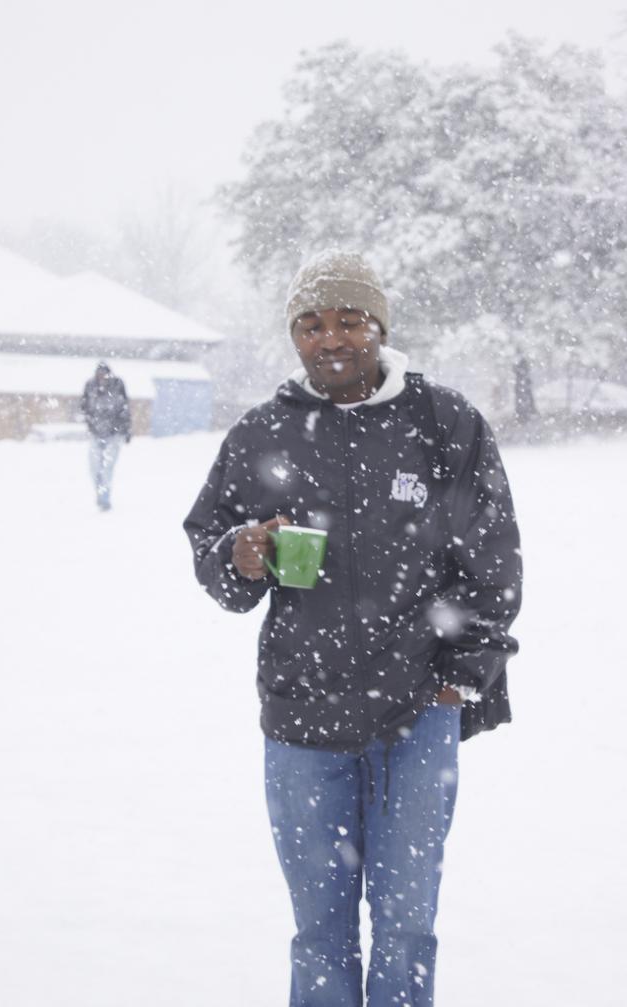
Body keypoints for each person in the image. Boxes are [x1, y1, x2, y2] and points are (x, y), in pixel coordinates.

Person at [184, 250, 522, 1007]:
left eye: (348, 321)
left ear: (379, 325)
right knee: (320, 932)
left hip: (416, 716)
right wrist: (239, 556)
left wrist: (458, 678)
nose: (330, 339)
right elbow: (211, 551)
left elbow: (492, 561)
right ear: (294, 336)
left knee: (406, 930)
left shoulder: (443, 423)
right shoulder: (263, 432)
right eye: (311, 324)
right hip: (302, 717)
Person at [80, 362, 131, 511]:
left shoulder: (117, 385)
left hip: (114, 434)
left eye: (104, 374)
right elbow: (84, 406)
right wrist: (90, 422)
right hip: (96, 434)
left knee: (108, 468)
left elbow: (125, 408)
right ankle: (99, 493)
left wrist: (126, 430)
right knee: (94, 468)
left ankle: (105, 498)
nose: (102, 377)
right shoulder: (90, 386)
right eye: (99, 374)